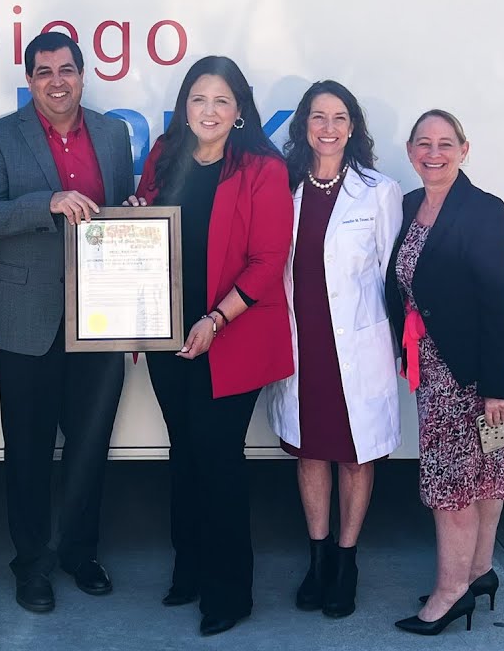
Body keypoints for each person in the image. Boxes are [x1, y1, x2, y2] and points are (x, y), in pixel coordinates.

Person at [127, 55, 294, 636]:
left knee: (219, 458)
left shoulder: (262, 170)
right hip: (167, 336)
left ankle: (230, 592)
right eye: (199, 99)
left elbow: (269, 262)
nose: (209, 110)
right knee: (184, 452)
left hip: (232, 336)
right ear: (184, 105)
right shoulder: (163, 157)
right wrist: (135, 216)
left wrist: (215, 320)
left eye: (222, 100)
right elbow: (146, 228)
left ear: (240, 110)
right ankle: (189, 569)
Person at [0, 31, 134, 613]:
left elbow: (123, 219)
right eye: (44, 72)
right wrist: (49, 201)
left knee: (91, 448)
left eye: (67, 70)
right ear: (30, 79)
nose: (57, 81)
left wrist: (139, 317)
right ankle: (31, 564)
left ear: (83, 75)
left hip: (103, 318)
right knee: (29, 452)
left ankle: (79, 553)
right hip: (26, 322)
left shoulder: (113, 134)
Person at [260, 81, 402, 619]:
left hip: (358, 344)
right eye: (318, 117)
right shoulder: (285, 186)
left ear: (353, 127)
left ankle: (346, 560)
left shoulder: (379, 191)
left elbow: (392, 273)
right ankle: (317, 559)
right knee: (310, 450)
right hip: (304, 340)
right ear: (303, 126)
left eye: (339, 117)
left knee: (355, 453)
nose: (328, 127)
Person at [385, 109, 504, 636]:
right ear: (410, 150)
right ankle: (479, 572)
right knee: (482, 472)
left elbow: (497, 299)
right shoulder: (406, 207)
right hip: (434, 367)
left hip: (474, 372)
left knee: (455, 484)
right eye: (424, 143)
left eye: (446, 143)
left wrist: (493, 386)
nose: (434, 153)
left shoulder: (484, 210)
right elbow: (399, 285)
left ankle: (450, 592)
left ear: (464, 150)